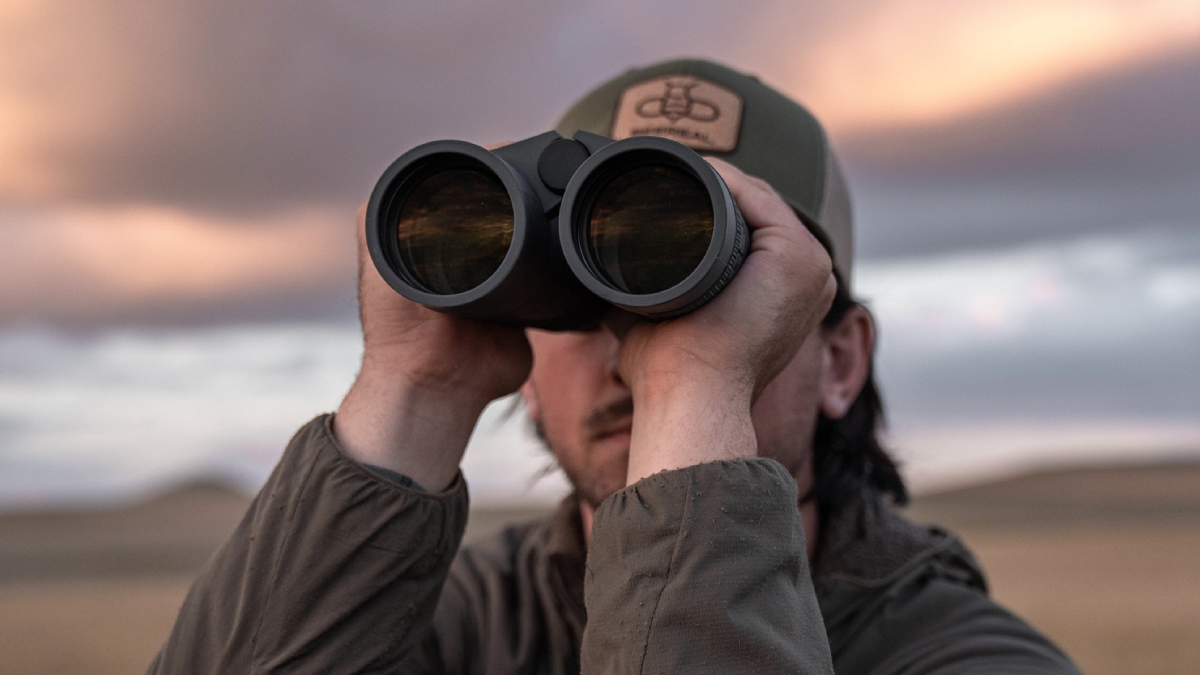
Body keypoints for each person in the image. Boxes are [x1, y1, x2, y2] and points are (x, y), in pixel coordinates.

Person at [148, 59, 1082, 674]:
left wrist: (698, 394)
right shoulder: (461, 621)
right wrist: (416, 383)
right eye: (586, 299)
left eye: (699, 297)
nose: (636, 359)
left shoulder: (963, 656)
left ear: (841, 359)